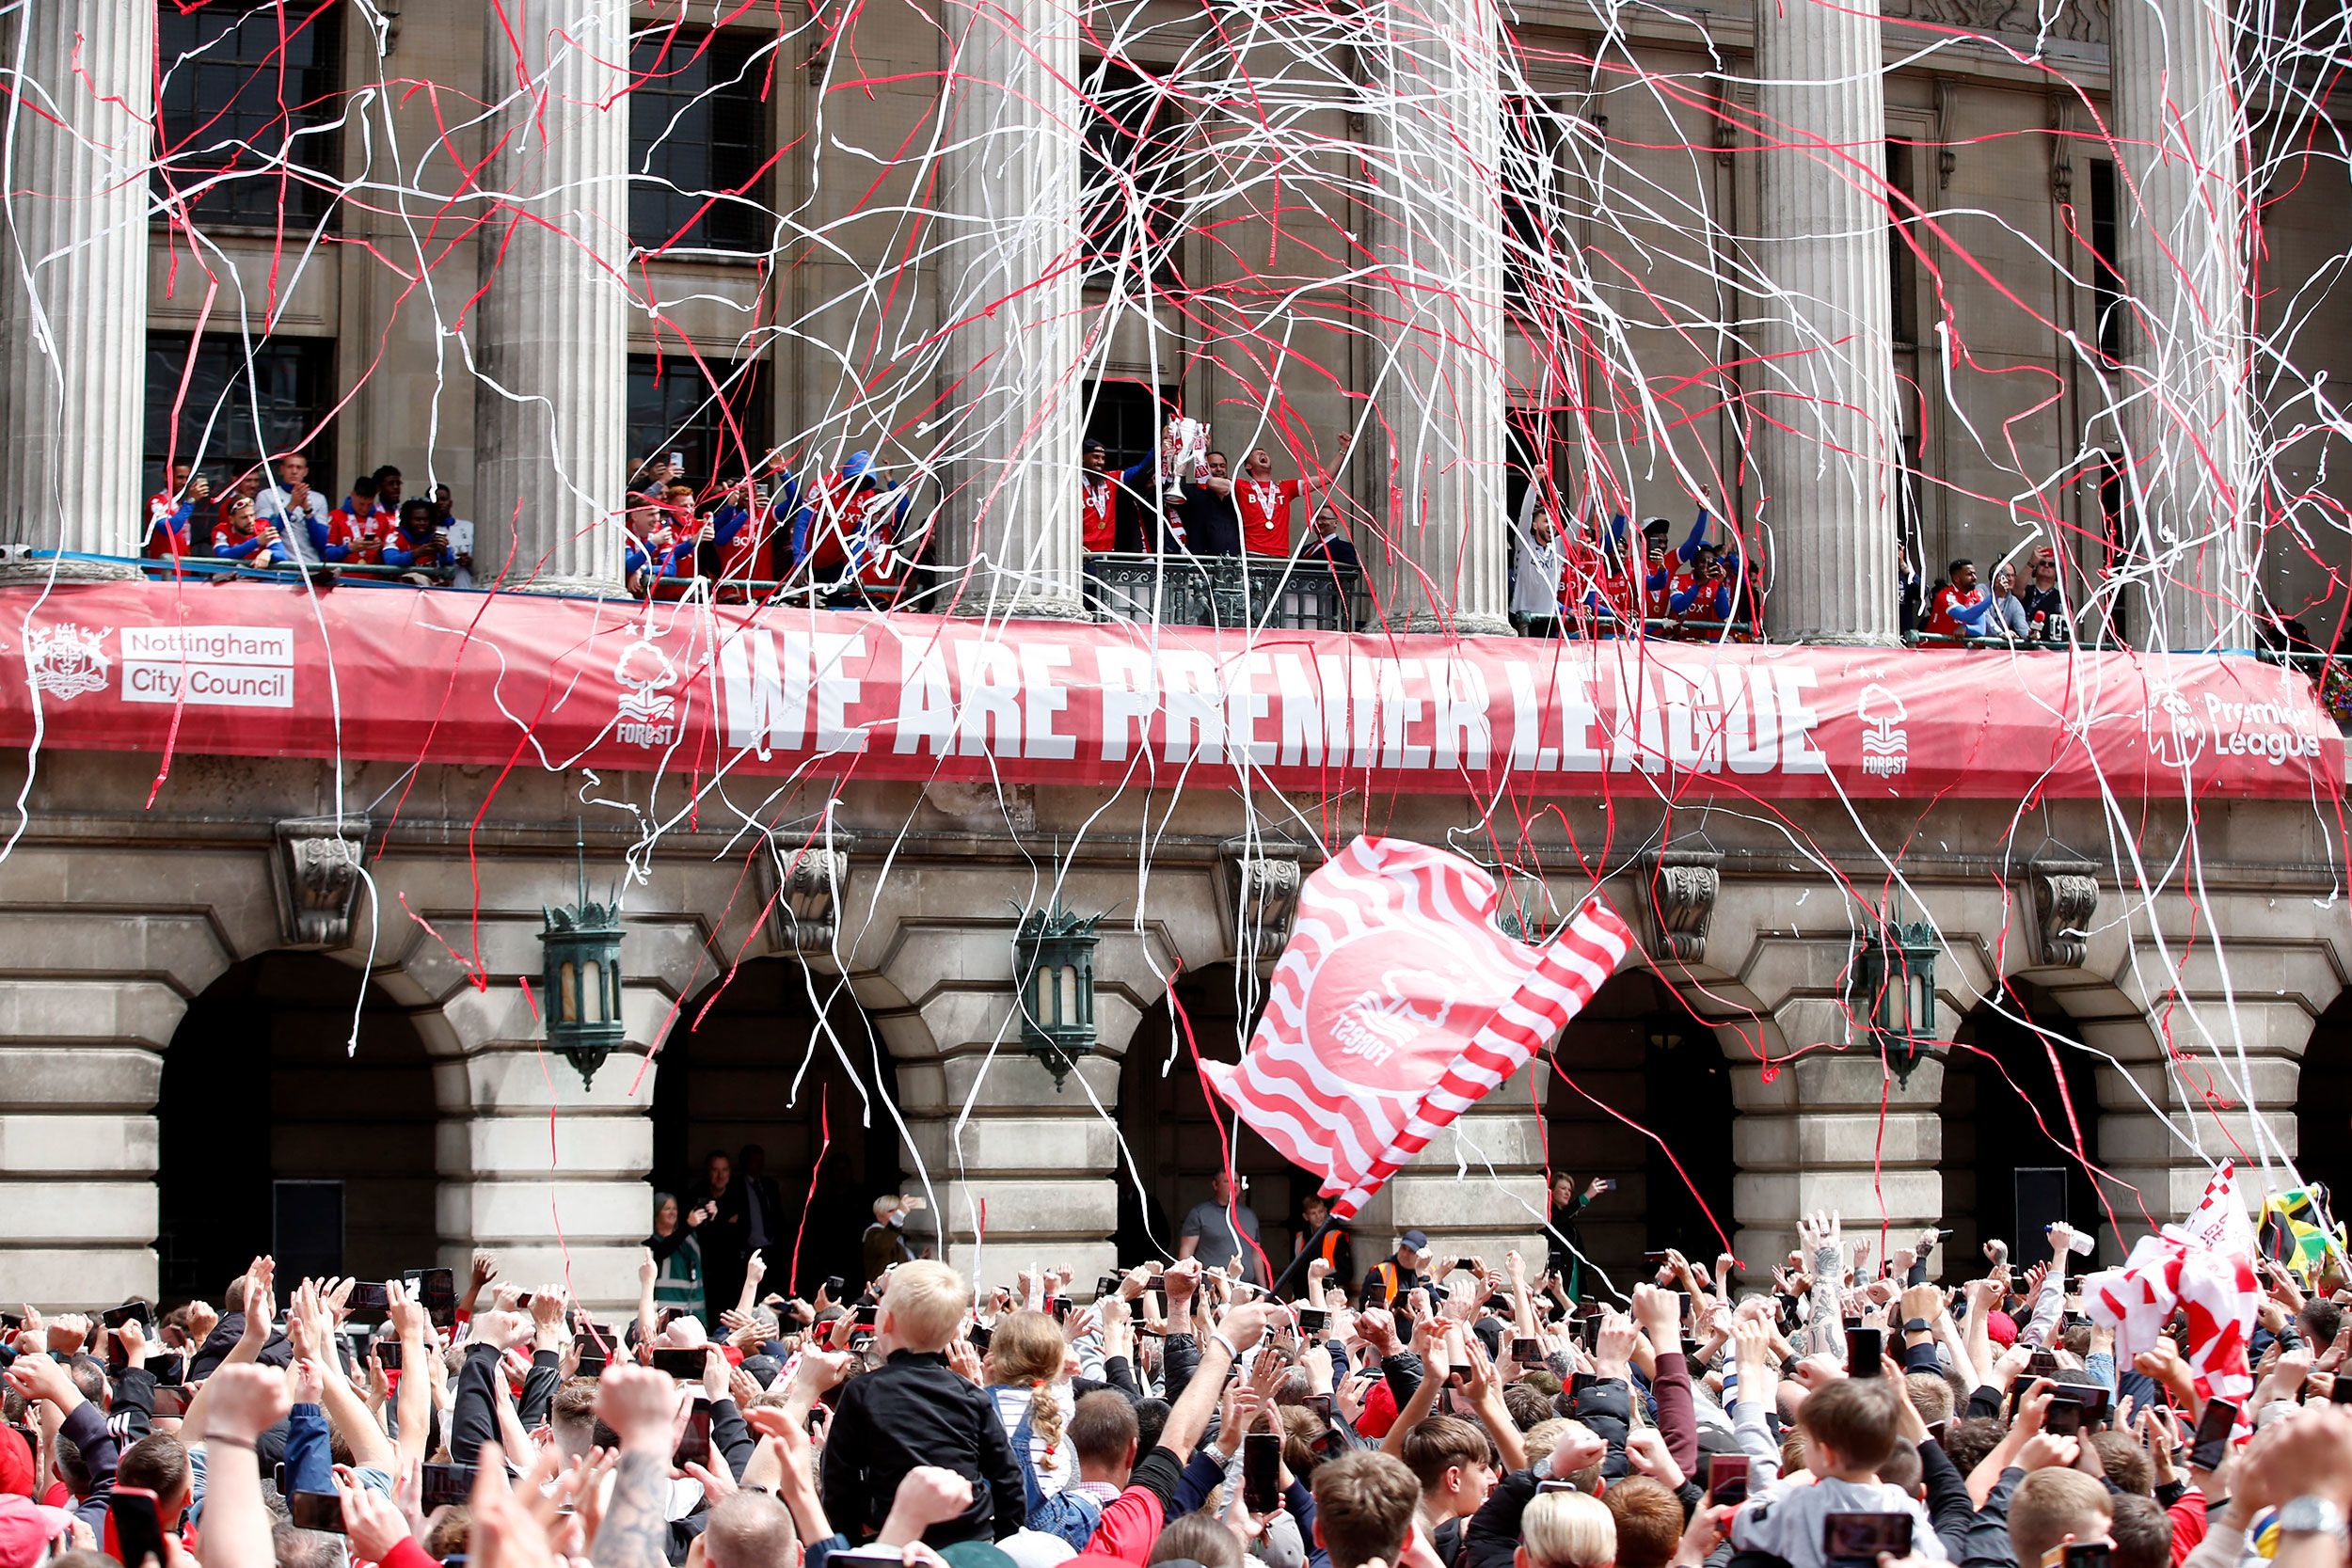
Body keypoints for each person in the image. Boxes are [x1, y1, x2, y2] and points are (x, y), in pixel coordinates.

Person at [818, 1259, 1025, 1544]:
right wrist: (1001, 1540)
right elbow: (1009, 1479)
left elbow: (838, 1480)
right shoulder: (972, 1396)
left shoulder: (863, 1392)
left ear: (886, 1321)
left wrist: (855, 1543)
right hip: (970, 1538)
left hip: (897, 1539)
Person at [1726, 1375, 1947, 1567]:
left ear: (1826, 1454)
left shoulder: (1801, 1502)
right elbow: (1935, 1554)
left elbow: (1744, 1526)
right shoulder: (1900, 1504)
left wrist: (1783, 1486)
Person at [1176, 1170, 1263, 1284]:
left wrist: (1264, 1290)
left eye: (1236, 1181)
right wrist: (1185, 1285)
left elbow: (1256, 1256)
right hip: (1211, 1292)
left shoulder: (1250, 1216)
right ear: (1215, 1185)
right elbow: (1186, 1252)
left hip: (1245, 1291)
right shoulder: (1200, 1213)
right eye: (1227, 1181)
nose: (1233, 1185)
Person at [692, 1148, 749, 1323]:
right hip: (702, 1269)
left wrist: (719, 1219)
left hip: (730, 1271)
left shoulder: (737, 1198)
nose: (720, 1175)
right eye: (715, 1170)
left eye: (724, 1170)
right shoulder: (696, 1194)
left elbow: (742, 1235)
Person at [1511, 491, 1568, 638]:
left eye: (1554, 522)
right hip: (1521, 618)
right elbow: (1526, 514)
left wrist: (1587, 494)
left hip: (1547, 620)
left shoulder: (1559, 548)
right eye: (1546, 521)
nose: (1552, 525)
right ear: (1535, 525)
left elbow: (1578, 523)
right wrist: (1534, 481)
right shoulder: (1524, 543)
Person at [644, 1190, 707, 1324]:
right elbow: (664, 1249)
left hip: (693, 1311)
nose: (672, 1212)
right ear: (656, 1213)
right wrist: (688, 1226)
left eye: (674, 1209)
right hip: (663, 1312)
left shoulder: (690, 1239)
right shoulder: (651, 1242)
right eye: (667, 1209)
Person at [1546, 1173, 1611, 1299]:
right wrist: (1586, 1197)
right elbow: (1560, 1219)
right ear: (1551, 1191)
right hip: (1557, 1277)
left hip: (1573, 1273)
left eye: (1569, 1190)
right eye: (1563, 1188)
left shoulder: (1568, 1221)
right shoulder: (1549, 1213)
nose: (1567, 1193)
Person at [259, 453, 329, 564]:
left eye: (299, 467)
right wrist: (291, 506)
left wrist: (308, 511)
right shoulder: (266, 495)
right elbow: (265, 534)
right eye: (290, 467)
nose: (294, 471)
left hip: (310, 566)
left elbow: (321, 543)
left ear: (305, 472)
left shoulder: (318, 499)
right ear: (281, 469)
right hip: (280, 566)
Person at [1178, 450, 1243, 558]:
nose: (1219, 469)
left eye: (1222, 466)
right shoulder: (1192, 491)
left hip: (1234, 562)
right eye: (1213, 466)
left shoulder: (1237, 495)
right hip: (1201, 562)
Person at [1359, 1227, 1431, 1309]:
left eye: (1411, 1251)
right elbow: (1364, 1309)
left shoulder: (1430, 1273)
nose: (1405, 1254)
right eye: (1403, 1248)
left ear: (1420, 1255)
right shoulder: (1379, 1272)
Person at [144, 464, 205, 561]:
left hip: (183, 570)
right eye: (180, 477)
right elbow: (168, 528)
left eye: (187, 478)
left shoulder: (180, 505)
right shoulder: (156, 501)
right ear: (166, 476)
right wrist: (191, 501)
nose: (184, 482)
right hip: (163, 571)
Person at [1925, 558, 1994, 640]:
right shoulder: (1945, 595)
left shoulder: (1976, 595)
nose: (1974, 577)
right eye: (1969, 574)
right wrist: (1993, 596)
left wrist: (1966, 628)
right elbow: (1964, 616)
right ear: (1956, 578)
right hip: (1936, 649)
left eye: (1974, 574)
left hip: (1958, 649)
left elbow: (1981, 629)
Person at [1295, 1191, 1355, 1285]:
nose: (1318, 1216)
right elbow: (1297, 1271)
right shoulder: (1300, 1237)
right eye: (1313, 1213)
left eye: (1321, 1211)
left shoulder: (1336, 1236)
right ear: (1306, 1217)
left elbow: (1346, 1273)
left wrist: (1323, 1283)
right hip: (1305, 1292)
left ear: (1326, 1211)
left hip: (1330, 1291)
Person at [863, 1193, 921, 1282]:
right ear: (879, 1216)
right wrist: (900, 1214)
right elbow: (882, 1245)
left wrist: (919, 1259)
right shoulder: (873, 1233)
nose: (895, 1214)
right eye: (891, 1211)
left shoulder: (895, 1236)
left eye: (897, 1210)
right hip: (883, 1290)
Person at [432, 484, 476, 588]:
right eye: (435, 499)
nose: (440, 503)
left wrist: (470, 561)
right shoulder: (425, 532)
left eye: (443, 499)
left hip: (467, 588)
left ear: (450, 502)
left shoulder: (469, 527)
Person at [2020, 546, 2067, 641]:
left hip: (2052, 650)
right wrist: (2031, 562)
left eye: (2051, 564)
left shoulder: (2063, 598)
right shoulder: (2027, 590)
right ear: (2035, 569)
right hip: (2025, 647)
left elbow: (2071, 627)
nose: (2046, 566)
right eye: (2042, 563)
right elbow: (2016, 590)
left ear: (2057, 571)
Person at [1977, 561, 2032, 640]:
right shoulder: (1981, 590)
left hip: (1995, 647)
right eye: (2007, 575)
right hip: (1977, 644)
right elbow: (1984, 615)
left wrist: (2030, 635)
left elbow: (2022, 627)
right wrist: (2001, 633)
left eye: (2013, 576)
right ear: (1994, 577)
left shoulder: (2014, 602)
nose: (2011, 579)